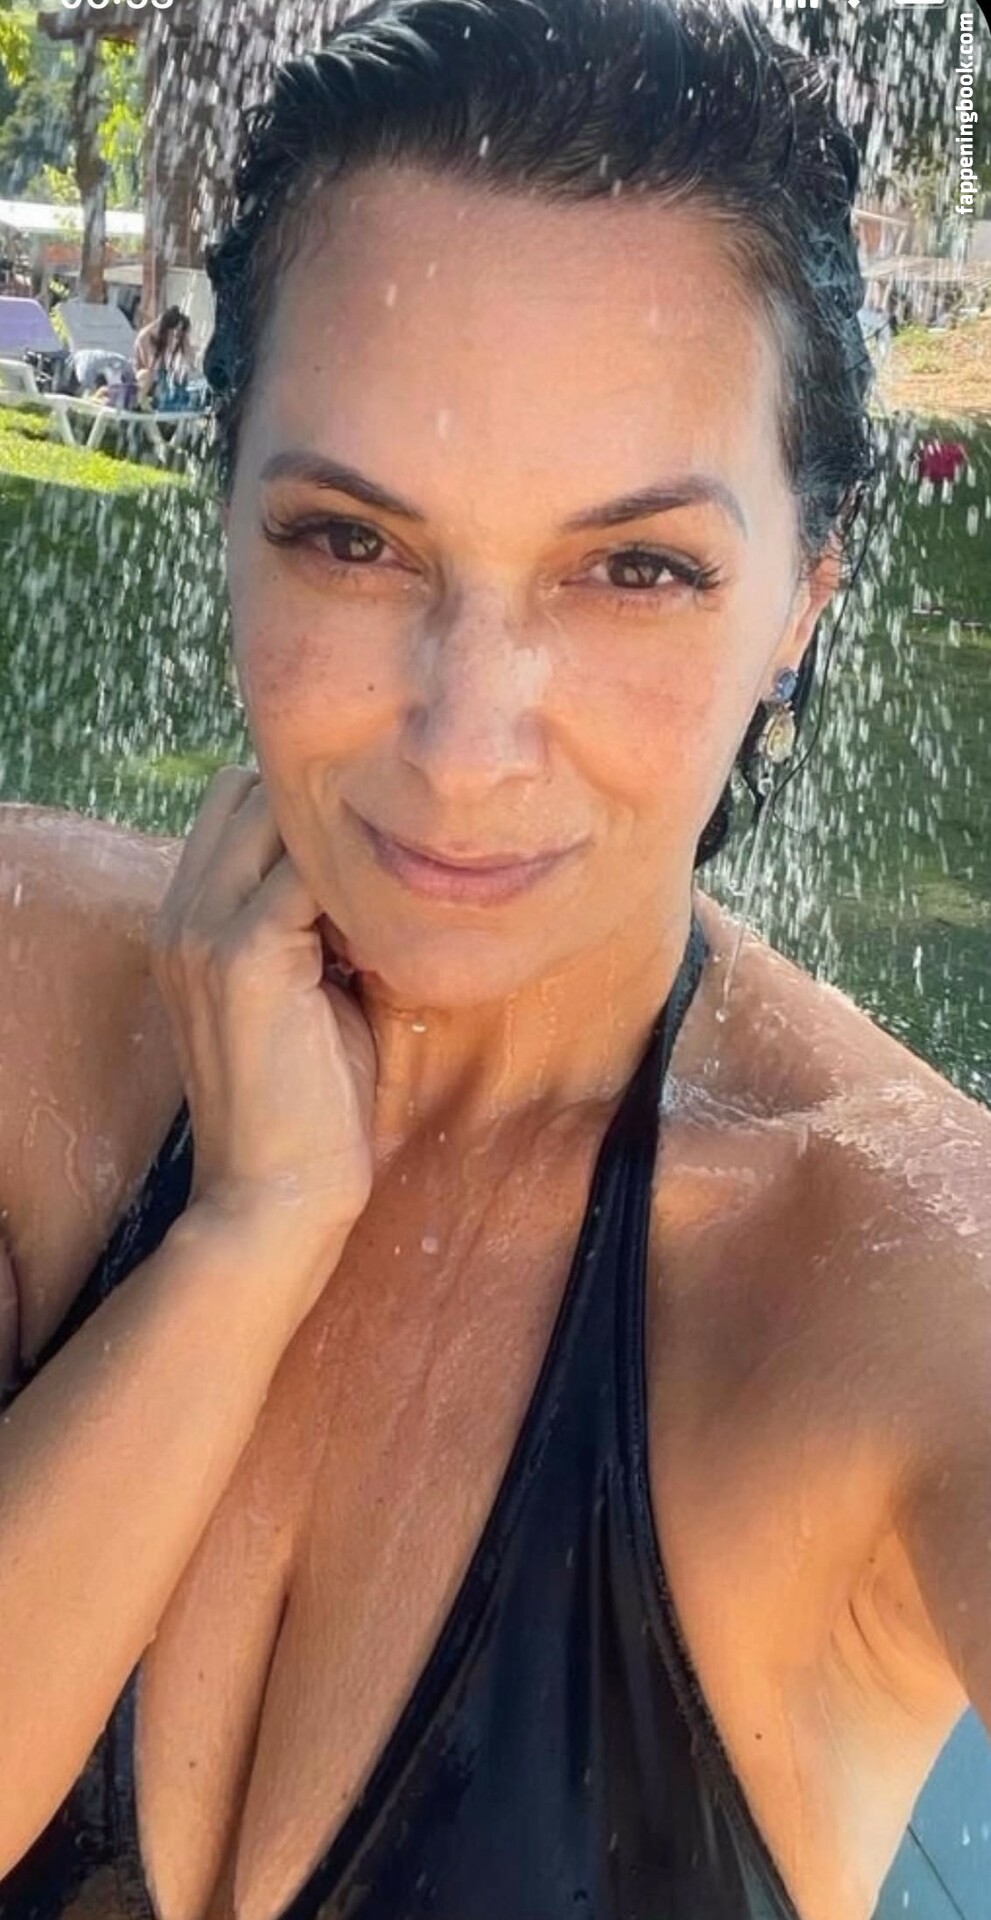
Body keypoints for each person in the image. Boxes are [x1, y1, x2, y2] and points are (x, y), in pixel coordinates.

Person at [0, 3, 988, 1919]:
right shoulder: (31, 989)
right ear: (226, 511)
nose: (465, 742)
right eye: (351, 541)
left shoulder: (895, 1279)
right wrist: (242, 1243)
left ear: (804, 601)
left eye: (637, 570)